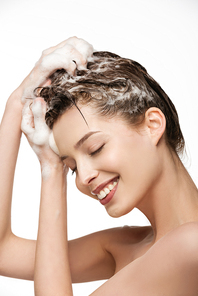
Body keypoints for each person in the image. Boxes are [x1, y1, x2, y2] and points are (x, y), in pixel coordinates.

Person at [0, 37, 198, 296]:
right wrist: (18, 102)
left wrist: (51, 173)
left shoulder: (191, 245)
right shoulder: (126, 246)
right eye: (71, 167)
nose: (83, 177)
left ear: (152, 125)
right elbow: (3, 252)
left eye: (95, 148)